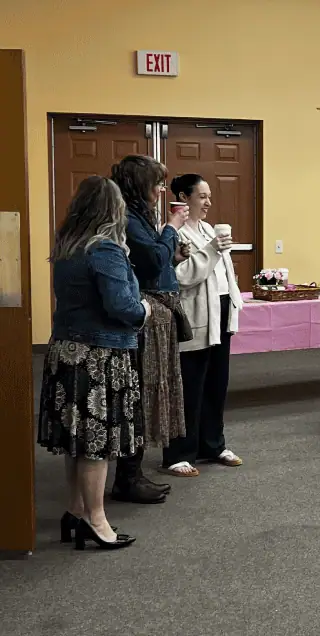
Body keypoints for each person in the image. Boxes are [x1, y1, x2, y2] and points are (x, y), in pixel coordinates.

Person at [38, 176, 147, 550]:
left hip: (66, 353)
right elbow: (123, 308)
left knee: (77, 442)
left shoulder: (68, 248)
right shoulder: (105, 251)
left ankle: (76, 510)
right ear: (113, 211)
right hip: (98, 358)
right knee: (96, 445)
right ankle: (97, 521)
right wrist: (145, 309)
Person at [109, 154, 189, 503]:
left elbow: (156, 258)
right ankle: (128, 478)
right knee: (141, 394)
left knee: (148, 391)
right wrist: (171, 228)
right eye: (156, 182)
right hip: (144, 320)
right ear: (138, 185)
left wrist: (172, 252)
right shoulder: (127, 217)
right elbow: (153, 259)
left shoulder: (139, 216)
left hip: (157, 315)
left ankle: (133, 473)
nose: (161, 188)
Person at [162, 174, 244, 476]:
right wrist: (211, 249)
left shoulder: (209, 228)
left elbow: (221, 271)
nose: (208, 202)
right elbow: (181, 276)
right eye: (202, 196)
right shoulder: (173, 233)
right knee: (189, 386)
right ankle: (179, 453)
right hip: (194, 318)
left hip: (219, 313)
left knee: (216, 383)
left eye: (209, 196)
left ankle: (213, 444)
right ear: (184, 198)